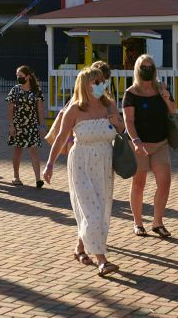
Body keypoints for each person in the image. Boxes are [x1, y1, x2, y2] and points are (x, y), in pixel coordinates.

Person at [42, 67, 124, 277]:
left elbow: (122, 130)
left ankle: (80, 247)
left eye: (102, 81)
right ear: (85, 85)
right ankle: (102, 260)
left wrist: (117, 123)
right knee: (91, 212)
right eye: (96, 82)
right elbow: (61, 138)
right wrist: (50, 164)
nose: (101, 85)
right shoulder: (75, 110)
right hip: (81, 163)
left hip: (104, 164)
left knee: (101, 210)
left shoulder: (109, 105)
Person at [123, 54, 178, 238]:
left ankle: (157, 222)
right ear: (138, 70)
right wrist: (136, 141)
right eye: (143, 67)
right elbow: (129, 121)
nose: (147, 70)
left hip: (160, 143)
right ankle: (138, 223)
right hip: (140, 144)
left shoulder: (161, 87)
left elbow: (173, 110)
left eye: (150, 67)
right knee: (139, 183)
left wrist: (165, 96)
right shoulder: (130, 93)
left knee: (164, 182)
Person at [6, 65, 46, 188]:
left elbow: (40, 110)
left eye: (21, 76)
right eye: (17, 76)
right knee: (17, 150)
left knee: (34, 151)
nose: (18, 78)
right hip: (18, 125)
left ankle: (38, 179)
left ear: (28, 76)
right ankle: (16, 176)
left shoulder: (36, 91)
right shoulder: (15, 90)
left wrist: (42, 126)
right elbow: (10, 110)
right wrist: (11, 125)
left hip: (32, 125)